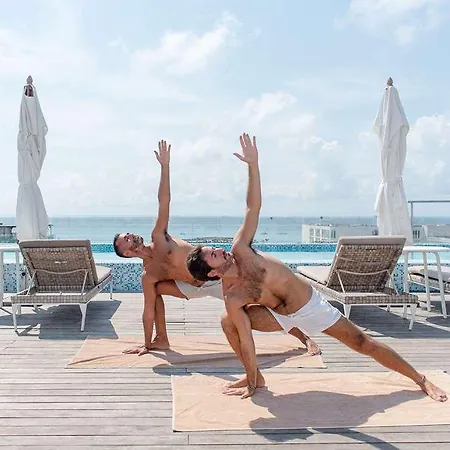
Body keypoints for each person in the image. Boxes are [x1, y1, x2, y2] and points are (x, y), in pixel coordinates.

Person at [186, 133, 448, 402]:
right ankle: (256, 378)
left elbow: (252, 207)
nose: (219, 250)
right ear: (212, 272)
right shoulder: (232, 296)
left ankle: (421, 380)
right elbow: (246, 340)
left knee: (362, 343)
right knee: (228, 322)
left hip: (310, 307)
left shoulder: (242, 248)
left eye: (214, 248)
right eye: (213, 255)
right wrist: (252, 382)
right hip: (279, 316)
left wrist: (253, 166)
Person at [113, 140, 320, 356]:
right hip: (190, 286)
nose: (130, 235)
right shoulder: (148, 275)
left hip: (215, 276)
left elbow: (163, 201)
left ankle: (304, 337)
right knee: (153, 291)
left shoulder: (159, 237)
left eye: (129, 233)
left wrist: (165, 167)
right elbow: (147, 310)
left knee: (258, 300)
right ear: (126, 253)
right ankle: (160, 340)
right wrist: (146, 344)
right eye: (126, 239)